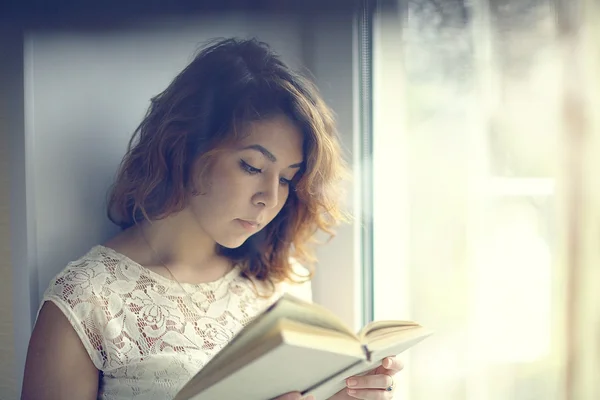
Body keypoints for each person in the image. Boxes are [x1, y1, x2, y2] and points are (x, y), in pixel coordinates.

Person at [21, 38, 403, 400]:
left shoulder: (277, 281)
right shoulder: (88, 299)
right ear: (186, 148)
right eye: (252, 167)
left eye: (286, 178)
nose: (270, 198)